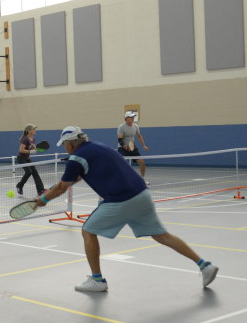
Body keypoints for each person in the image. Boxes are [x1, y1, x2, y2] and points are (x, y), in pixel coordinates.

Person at [36, 125, 218, 292]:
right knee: (162, 235)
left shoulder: (76, 158)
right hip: (142, 194)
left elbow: (62, 187)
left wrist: (43, 199)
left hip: (121, 200)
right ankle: (205, 266)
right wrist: (57, 186)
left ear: (71, 143)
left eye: (65, 144)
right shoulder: (99, 147)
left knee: (88, 231)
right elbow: (75, 178)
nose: (64, 148)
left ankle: (97, 281)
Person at [15, 124, 45, 197]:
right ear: (29, 130)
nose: (35, 130)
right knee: (28, 172)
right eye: (33, 129)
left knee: (35, 172)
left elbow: (33, 148)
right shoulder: (25, 139)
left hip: (27, 158)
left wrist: (35, 150)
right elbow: (21, 150)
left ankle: (40, 190)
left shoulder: (33, 139)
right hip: (21, 158)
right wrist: (30, 152)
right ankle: (19, 186)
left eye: (35, 129)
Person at [117, 111, 149, 179]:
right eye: (131, 117)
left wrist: (143, 145)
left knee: (142, 162)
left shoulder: (135, 126)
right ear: (126, 118)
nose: (133, 118)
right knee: (122, 164)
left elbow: (139, 136)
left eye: (133, 117)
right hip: (122, 148)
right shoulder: (121, 127)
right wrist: (126, 147)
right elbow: (120, 140)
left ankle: (142, 180)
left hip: (132, 147)